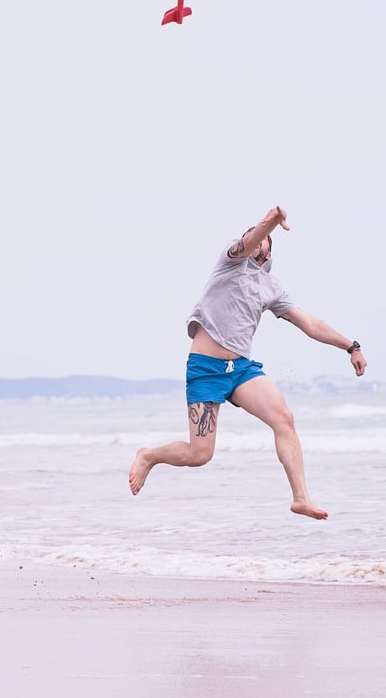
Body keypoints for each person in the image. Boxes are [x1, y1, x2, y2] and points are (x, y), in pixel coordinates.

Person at [128, 206, 367, 520]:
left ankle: (301, 498)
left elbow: (309, 323)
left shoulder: (271, 286)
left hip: (240, 370)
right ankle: (149, 456)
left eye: (264, 239)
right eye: (253, 235)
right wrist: (269, 223)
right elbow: (253, 236)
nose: (254, 239)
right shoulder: (231, 262)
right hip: (206, 368)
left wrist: (351, 346)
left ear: (269, 253)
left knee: (284, 418)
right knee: (200, 455)